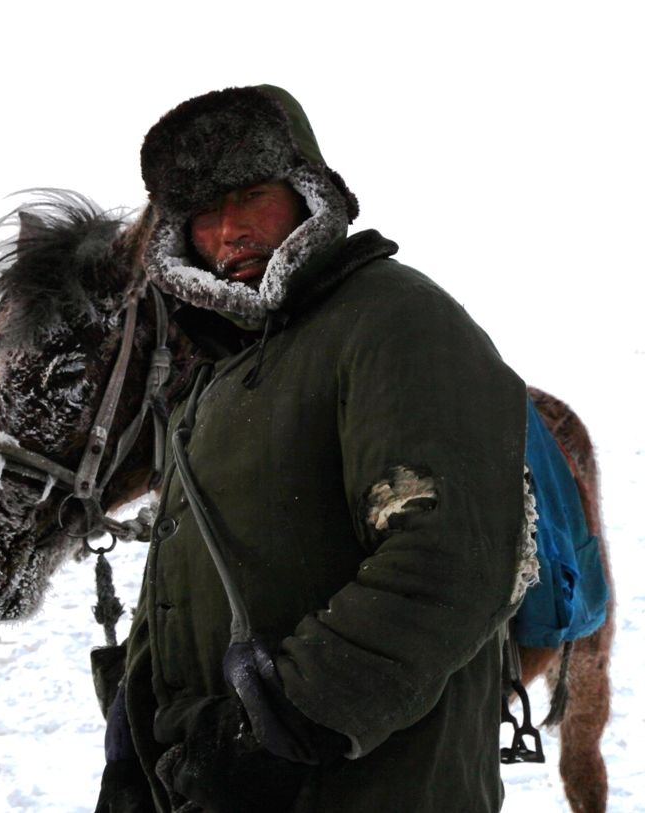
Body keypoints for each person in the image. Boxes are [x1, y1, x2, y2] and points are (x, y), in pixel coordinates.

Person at [94, 85, 534, 813]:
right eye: (203, 214)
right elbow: (183, 582)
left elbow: (449, 558)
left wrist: (277, 728)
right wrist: (132, 752)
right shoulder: (217, 377)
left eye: (251, 195)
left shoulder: (397, 319)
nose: (229, 231)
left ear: (307, 195)